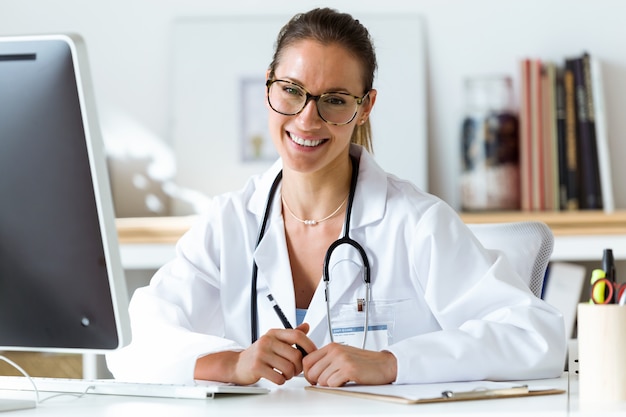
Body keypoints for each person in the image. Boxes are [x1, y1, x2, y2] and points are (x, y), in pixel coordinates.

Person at [107, 7, 565, 387]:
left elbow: (536, 336)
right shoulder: (229, 221)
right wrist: (232, 363)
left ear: (364, 106)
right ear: (270, 84)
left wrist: (393, 362)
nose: (308, 120)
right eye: (292, 91)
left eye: (336, 99)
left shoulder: (416, 223)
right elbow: (130, 343)